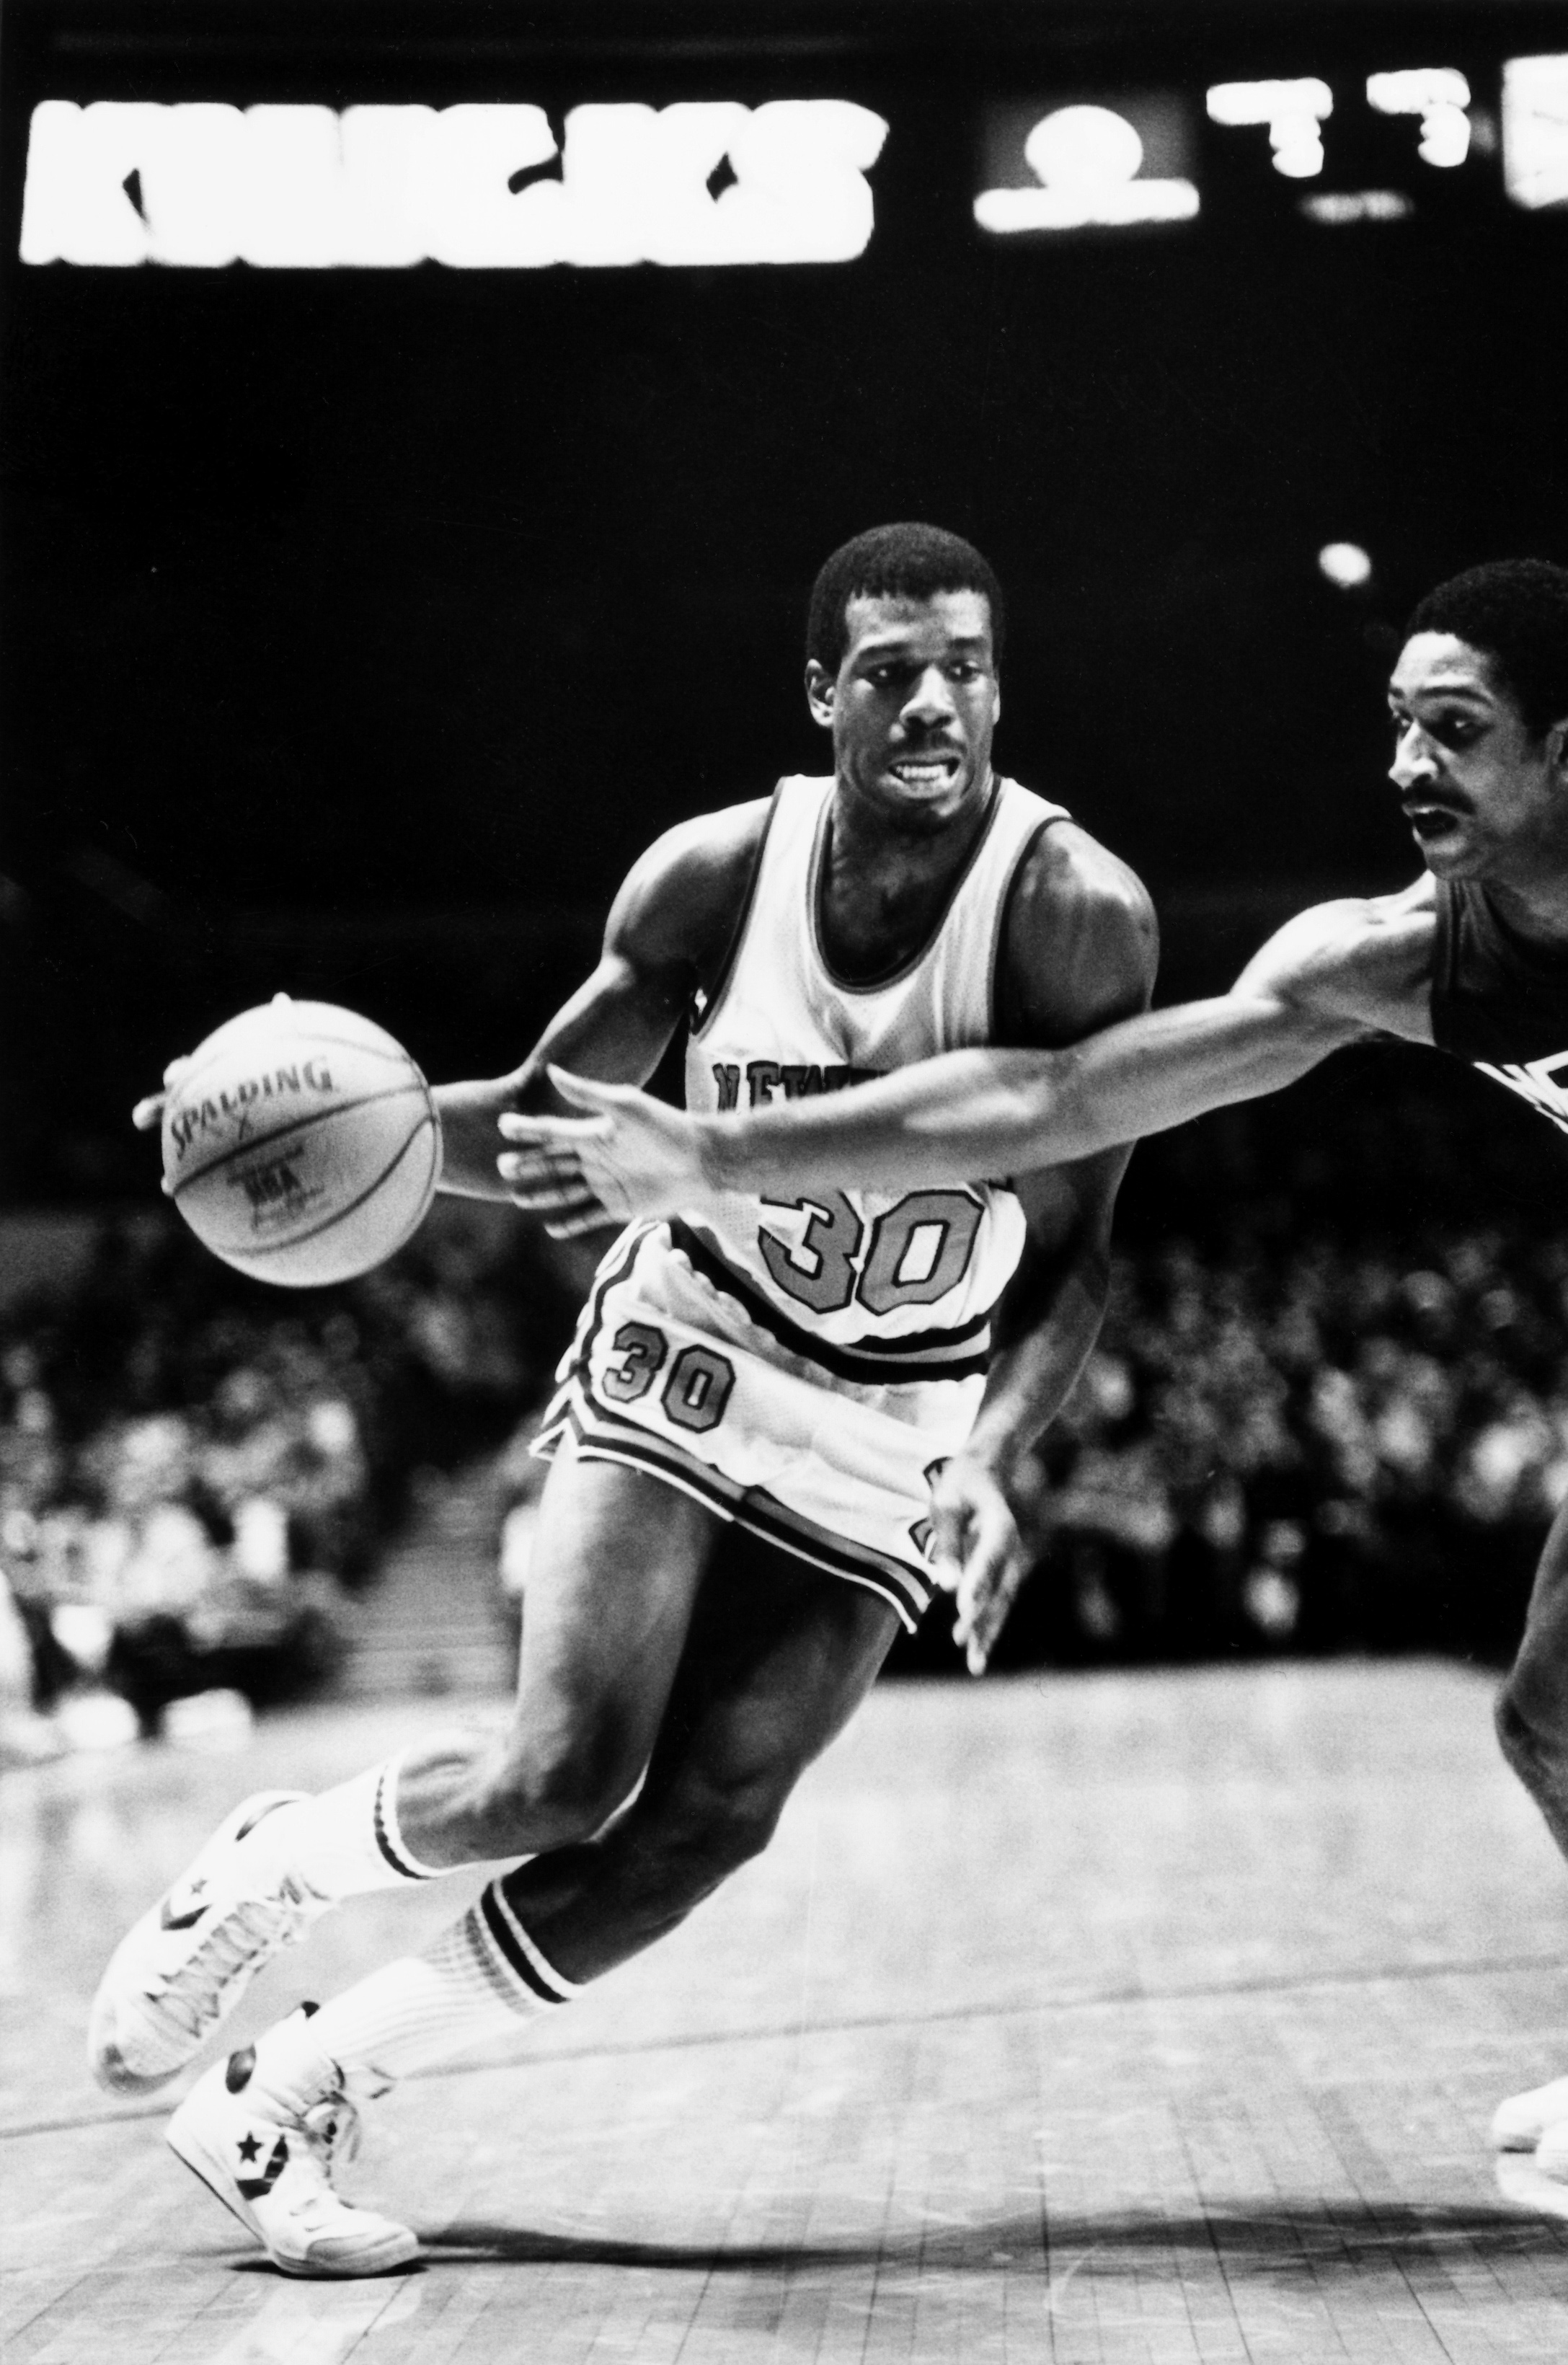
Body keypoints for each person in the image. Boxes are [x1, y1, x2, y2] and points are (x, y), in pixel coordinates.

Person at [512, 559, 1568, 2194]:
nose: (1406, 767)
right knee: (1559, 1733)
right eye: (1396, 727)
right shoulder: (1393, 957)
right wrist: (715, 1147)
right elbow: (1050, 1102)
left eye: (1455, 728)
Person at [97, 521, 1158, 2276]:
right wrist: (255, 1126)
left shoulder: (1074, 916)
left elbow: (1078, 1260)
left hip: (896, 1417)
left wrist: (990, 1459)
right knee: (560, 1772)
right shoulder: (712, 881)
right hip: (695, 1342)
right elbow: (538, 1124)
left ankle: (284, 2094)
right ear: (822, 692)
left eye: (967, 664)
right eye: (892, 668)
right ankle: (278, 1862)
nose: (935, 701)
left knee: (713, 1823)